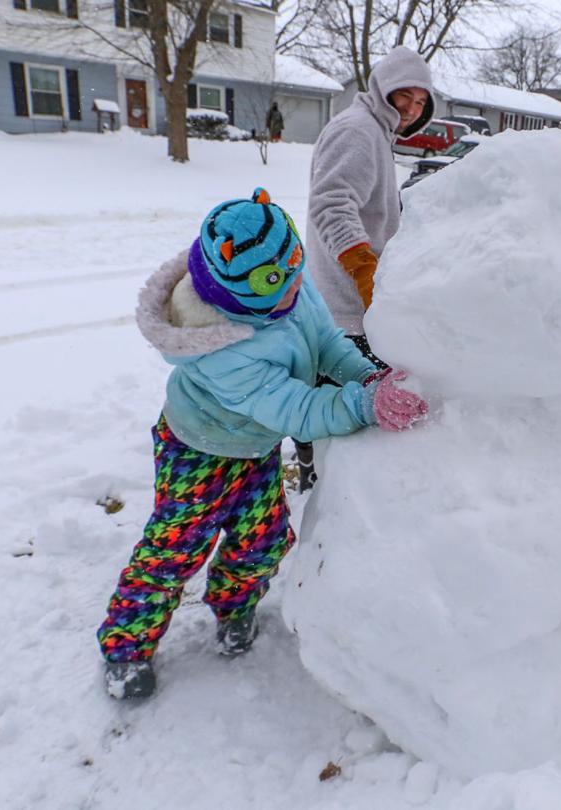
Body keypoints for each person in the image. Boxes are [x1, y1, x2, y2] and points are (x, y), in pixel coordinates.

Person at [97, 188, 428, 699]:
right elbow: (296, 407)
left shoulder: (288, 288)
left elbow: (325, 344)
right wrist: (364, 406)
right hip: (198, 452)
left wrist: (367, 378)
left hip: (254, 449)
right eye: (276, 277)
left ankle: (233, 608)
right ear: (235, 290)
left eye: (295, 261)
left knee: (265, 539)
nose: (295, 280)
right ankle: (125, 643)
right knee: (175, 549)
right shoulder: (220, 348)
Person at [295, 46, 434, 491]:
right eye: (404, 98)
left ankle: (316, 474)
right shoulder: (358, 131)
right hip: (344, 305)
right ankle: (318, 481)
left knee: (331, 398)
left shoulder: (375, 133)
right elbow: (331, 204)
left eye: (420, 103)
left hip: (347, 302)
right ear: (383, 88)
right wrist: (364, 272)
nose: (411, 110)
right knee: (342, 402)